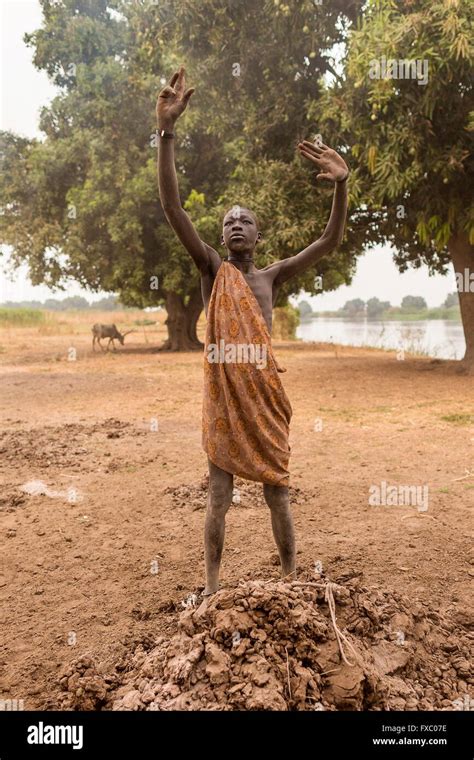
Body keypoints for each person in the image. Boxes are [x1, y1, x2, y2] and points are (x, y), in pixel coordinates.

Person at [157, 66, 349, 596]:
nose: (235, 225)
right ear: (220, 236)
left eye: (245, 220)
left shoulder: (271, 276)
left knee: (277, 493)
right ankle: (213, 587)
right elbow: (173, 208)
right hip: (224, 399)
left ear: (259, 234)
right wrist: (166, 134)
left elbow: (328, 243)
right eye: (227, 222)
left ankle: (289, 580)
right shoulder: (212, 271)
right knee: (218, 497)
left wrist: (342, 186)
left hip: (263, 399)